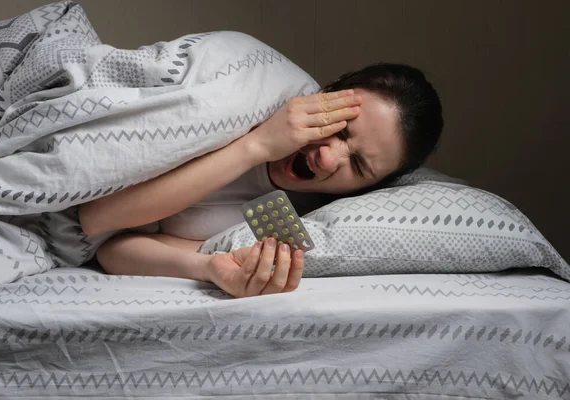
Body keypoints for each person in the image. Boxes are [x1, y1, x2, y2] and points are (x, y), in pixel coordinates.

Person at [78, 63, 443, 298]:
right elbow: (95, 213)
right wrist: (257, 145)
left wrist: (208, 269)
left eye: (359, 166)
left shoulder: (290, 223)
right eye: (342, 130)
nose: (328, 156)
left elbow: (110, 245)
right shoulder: (255, 101)